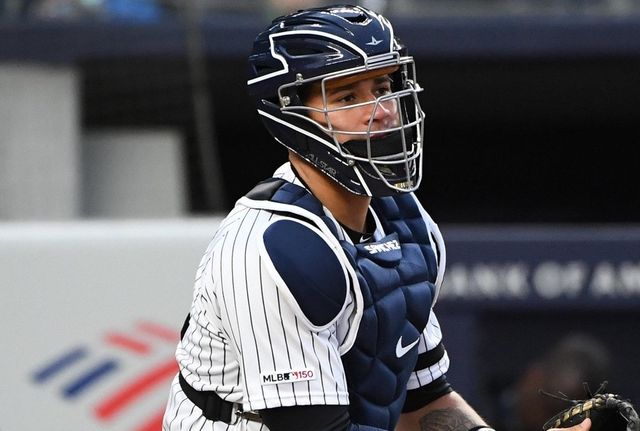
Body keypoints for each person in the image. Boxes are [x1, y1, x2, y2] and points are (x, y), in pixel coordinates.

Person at [162, 5, 591, 431]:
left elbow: (424, 400)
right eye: (349, 96)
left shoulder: (406, 220)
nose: (381, 110)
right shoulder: (272, 248)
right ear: (291, 114)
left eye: (383, 87)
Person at [500, 333, 611, 431]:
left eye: (559, 412)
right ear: (533, 374)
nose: (547, 421)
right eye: (547, 406)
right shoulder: (487, 406)